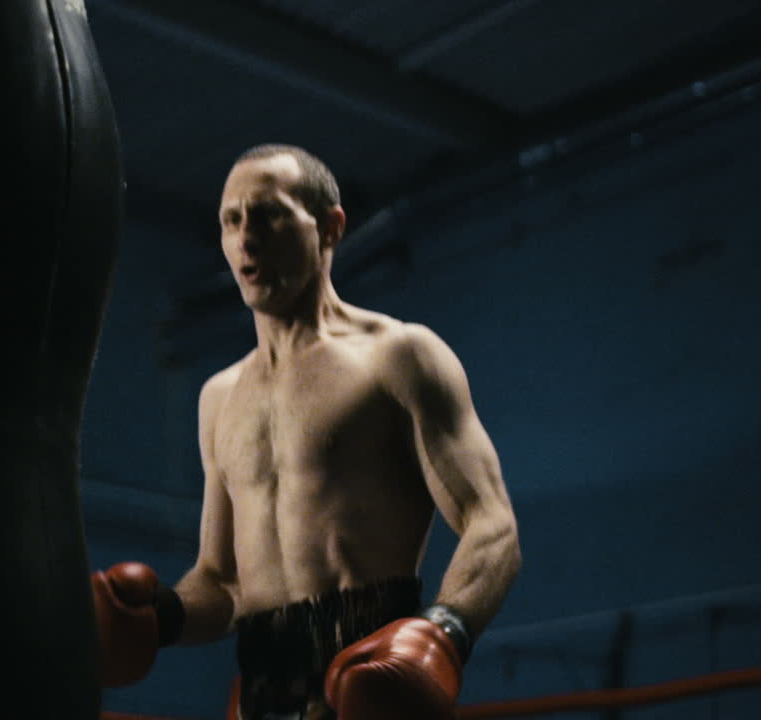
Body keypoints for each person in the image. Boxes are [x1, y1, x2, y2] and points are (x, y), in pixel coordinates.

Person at [91, 144, 521, 720]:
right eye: (231, 219)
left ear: (329, 227)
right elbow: (222, 583)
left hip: (370, 691)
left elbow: (493, 527)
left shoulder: (399, 357)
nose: (246, 237)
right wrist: (159, 619)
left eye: (268, 213)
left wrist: (444, 633)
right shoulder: (219, 397)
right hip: (261, 696)